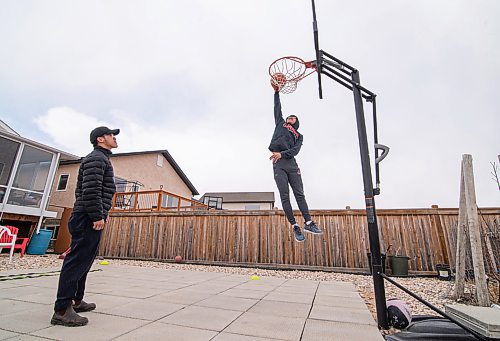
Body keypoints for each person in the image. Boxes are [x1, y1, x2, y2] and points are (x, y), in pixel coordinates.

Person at [51, 126, 119, 327]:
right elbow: (91, 190)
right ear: (100, 139)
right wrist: (97, 215)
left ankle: (76, 300)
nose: (114, 138)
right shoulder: (96, 159)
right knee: (76, 261)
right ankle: (62, 310)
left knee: (85, 260)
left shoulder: (102, 159)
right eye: (110, 135)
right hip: (87, 217)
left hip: (88, 216)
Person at [269, 82, 322, 242]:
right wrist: (276, 92)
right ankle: (294, 226)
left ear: (296, 122)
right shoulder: (280, 124)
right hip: (279, 165)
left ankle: (308, 222)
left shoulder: (299, 136)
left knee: (300, 194)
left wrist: (281, 154)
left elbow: (295, 151)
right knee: (285, 196)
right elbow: (277, 108)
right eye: (289, 116)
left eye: (293, 117)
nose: (290, 117)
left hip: (291, 164)